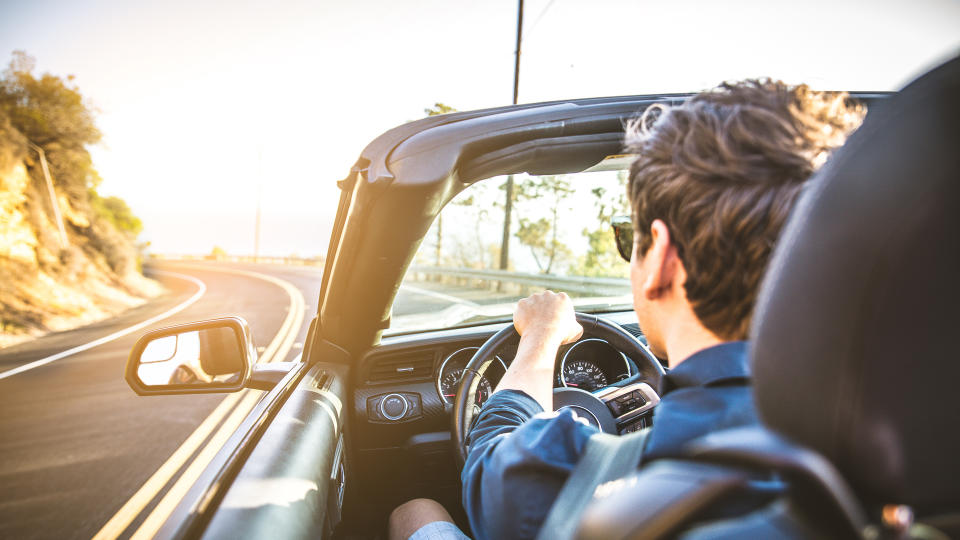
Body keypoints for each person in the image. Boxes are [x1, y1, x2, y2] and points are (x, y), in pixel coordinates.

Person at [389, 79, 865, 540]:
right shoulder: (903, 443)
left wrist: (540, 336)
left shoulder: (570, 482)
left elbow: (491, 457)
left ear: (660, 257)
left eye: (628, 239)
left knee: (415, 512)